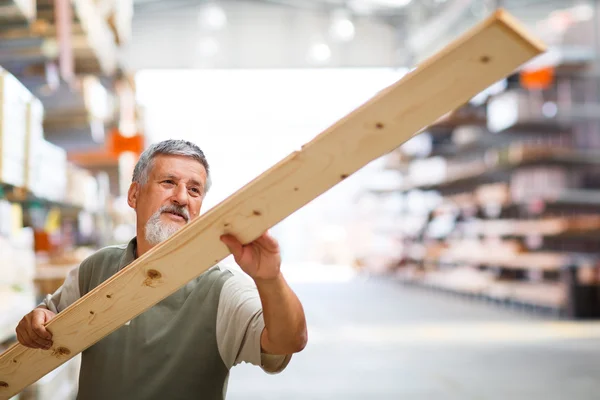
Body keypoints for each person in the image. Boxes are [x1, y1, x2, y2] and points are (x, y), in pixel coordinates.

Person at [16, 139, 308, 400]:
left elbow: (289, 340)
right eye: (168, 182)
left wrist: (270, 279)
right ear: (134, 195)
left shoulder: (222, 289)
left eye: (194, 190)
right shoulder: (97, 268)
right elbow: (47, 320)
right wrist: (36, 321)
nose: (182, 197)